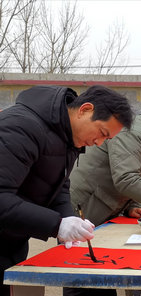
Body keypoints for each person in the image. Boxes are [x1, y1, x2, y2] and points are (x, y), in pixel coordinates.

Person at [0, 85, 133, 296]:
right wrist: (57, 225)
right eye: (101, 133)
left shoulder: (67, 137)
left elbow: (59, 184)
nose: (98, 143)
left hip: (12, 241)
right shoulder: (20, 127)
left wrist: (70, 221)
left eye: (106, 140)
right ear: (85, 110)